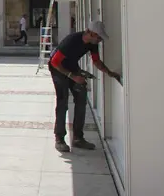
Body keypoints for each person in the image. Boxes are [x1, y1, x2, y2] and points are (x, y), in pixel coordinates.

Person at [49, 20, 121, 152]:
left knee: (81, 97)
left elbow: (97, 61)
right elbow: (54, 61)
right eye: (98, 36)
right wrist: (73, 76)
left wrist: (110, 73)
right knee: (62, 101)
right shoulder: (72, 40)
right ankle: (59, 138)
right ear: (89, 32)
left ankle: (78, 138)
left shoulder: (92, 44)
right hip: (58, 69)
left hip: (72, 67)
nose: (99, 40)